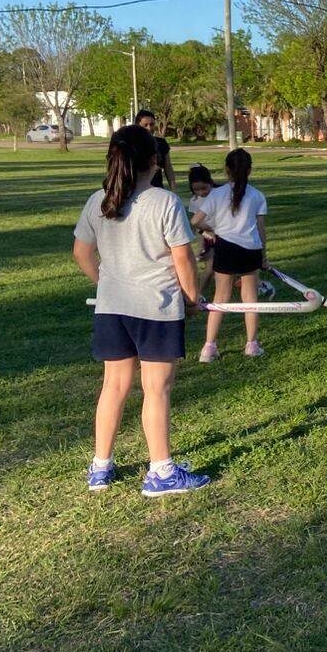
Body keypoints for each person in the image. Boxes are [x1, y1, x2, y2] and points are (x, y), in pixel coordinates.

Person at [73, 125, 209, 496]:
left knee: (113, 386)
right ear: (154, 160)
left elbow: (82, 254)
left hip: (111, 309)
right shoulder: (164, 202)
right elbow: (183, 258)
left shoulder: (97, 200)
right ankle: (162, 472)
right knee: (156, 388)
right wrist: (192, 298)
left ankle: (100, 467)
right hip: (157, 308)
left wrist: (108, 283)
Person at [193, 147, 269, 361]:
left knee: (221, 298)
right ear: (250, 170)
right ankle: (252, 345)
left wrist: (213, 228)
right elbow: (261, 230)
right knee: (250, 298)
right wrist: (263, 256)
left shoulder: (216, 194)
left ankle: (208, 348)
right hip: (250, 252)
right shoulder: (257, 196)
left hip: (225, 249)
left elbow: (195, 221)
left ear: (226, 170)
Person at [135, 109, 176, 190]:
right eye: (145, 125)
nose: (149, 128)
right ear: (138, 125)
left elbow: (168, 167)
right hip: (137, 190)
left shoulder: (161, 143)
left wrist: (173, 188)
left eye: (152, 124)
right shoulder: (132, 144)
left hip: (157, 188)